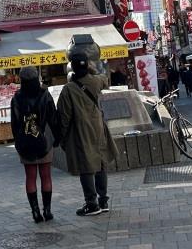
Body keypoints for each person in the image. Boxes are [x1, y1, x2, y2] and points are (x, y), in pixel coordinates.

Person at [57, 49, 117, 217]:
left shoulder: (69, 89)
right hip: (98, 127)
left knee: (86, 166)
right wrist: (91, 70)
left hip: (80, 130)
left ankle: (92, 203)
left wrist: (61, 137)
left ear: (72, 68)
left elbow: (64, 116)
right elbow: (106, 79)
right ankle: (103, 200)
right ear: (88, 65)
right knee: (100, 162)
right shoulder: (96, 81)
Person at [10, 67, 58, 223]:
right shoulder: (45, 94)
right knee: (46, 176)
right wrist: (57, 137)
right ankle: (48, 211)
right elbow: (53, 118)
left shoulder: (17, 98)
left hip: (26, 143)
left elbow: (15, 123)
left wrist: (18, 140)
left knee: (30, 177)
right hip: (44, 141)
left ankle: (35, 212)